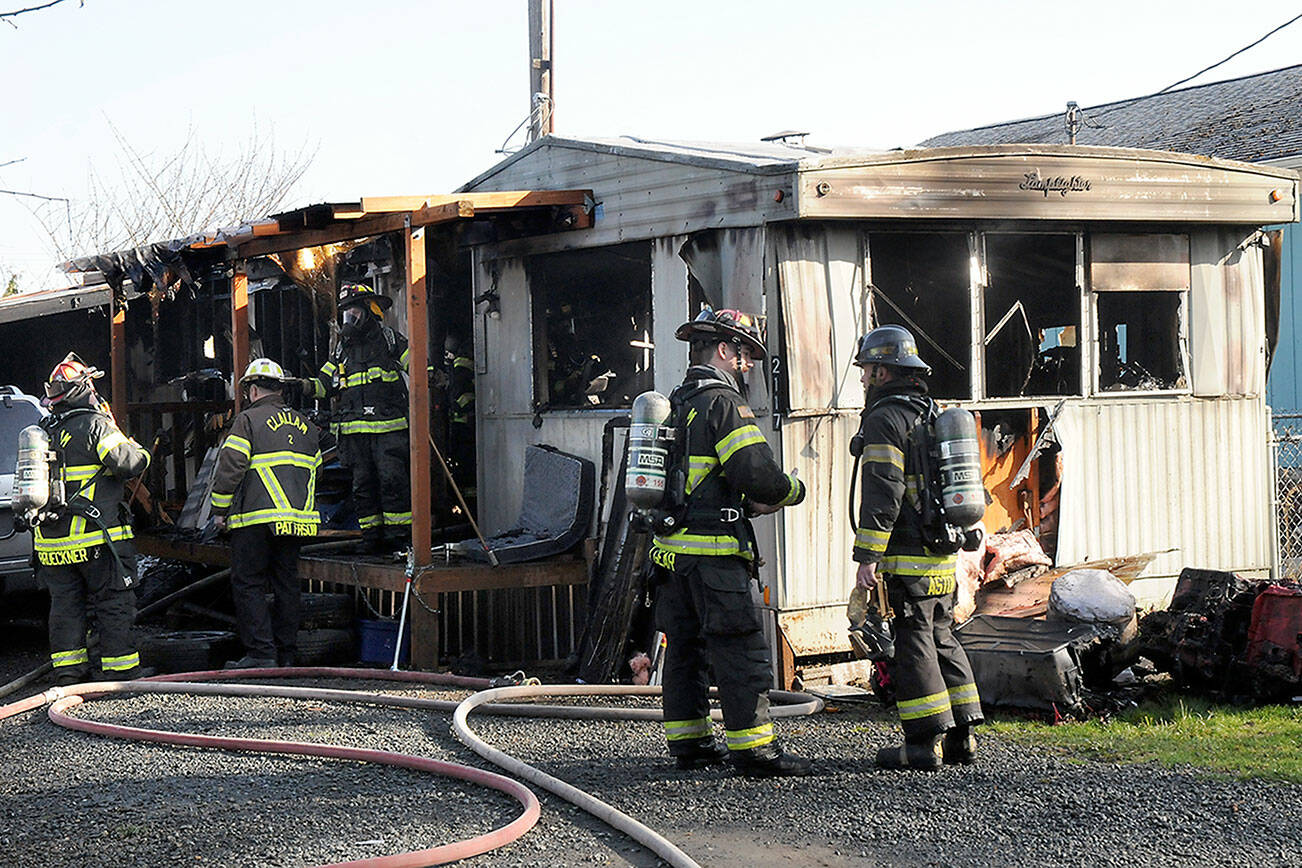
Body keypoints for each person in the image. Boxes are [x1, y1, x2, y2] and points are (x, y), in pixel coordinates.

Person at [649, 308, 810, 778]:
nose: (751, 366)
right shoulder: (723, 403)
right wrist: (792, 491)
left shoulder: (677, 404)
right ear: (723, 351)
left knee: (684, 651)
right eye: (745, 356)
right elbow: (756, 474)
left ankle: (690, 744)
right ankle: (755, 751)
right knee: (739, 651)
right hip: (716, 558)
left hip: (672, 560)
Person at [851, 325, 983, 770]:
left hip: (908, 557)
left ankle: (923, 745)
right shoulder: (930, 411)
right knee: (944, 637)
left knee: (915, 646)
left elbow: (883, 490)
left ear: (884, 371)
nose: (864, 379)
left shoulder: (885, 418)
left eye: (868, 370)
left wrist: (867, 556)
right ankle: (962, 739)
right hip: (944, 555)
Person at [32, 353, 151, 685]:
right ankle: (120, 672)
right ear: (83, 388)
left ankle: (69, 673)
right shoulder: (95, 424)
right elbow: (128, 463)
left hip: (52, 545)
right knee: (113, 603)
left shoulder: (44, 430)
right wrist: (141, 450)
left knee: (66, 608)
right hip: (95, 540)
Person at [212, 358, 321, 669]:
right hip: (297, 521)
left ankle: (261, 655)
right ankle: (287, 654)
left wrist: (220, 511)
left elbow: (231, 467)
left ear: (253, 390)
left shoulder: (247, 421)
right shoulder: (306, 425)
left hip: (255, 520)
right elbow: (317, 470)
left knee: (249, 583)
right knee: (287, 584)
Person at [307, 284, 411, 553]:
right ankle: (371, 536)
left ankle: (398, 537)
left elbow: (418, 364)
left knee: (392, 480)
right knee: (363, 485)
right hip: (354, 432)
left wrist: (432, 373)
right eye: (345, 314)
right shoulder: (342, 348)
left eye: (353, 312)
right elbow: (323, 384)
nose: (348, 320)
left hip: (389, 429)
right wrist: (302, 387)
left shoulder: (390, 340)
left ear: (367, 311)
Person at [444, 332, 476, 499]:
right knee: (467, 466)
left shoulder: (454, 368)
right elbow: (461, 393)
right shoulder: (460, 367)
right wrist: (471, 409)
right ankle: (468, 501)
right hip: (464, 428)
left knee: (463, 466)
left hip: (458, 428)